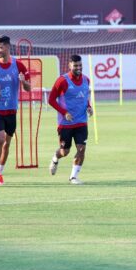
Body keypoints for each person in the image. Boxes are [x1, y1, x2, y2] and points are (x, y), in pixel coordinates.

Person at [0, 35, 31, 185]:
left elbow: (28, 88)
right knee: (0, 139)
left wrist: (23, 82)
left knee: (7, 144)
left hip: (11, 109)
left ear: (8, 47)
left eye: (1, 47)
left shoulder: (19, 65)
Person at [48, 55, 93, 184]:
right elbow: (51, 100)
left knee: (81, 149)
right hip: (65, 124)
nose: (78, 68)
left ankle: (73, 177)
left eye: (80, 65)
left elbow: (84, 97)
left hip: (81, 122)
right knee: (64, 151)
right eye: (75, 65)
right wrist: (64, 113)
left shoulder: (86, 80)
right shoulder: (62, 81)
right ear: (69, 65)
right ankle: (55, 158)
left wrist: (89, 107)